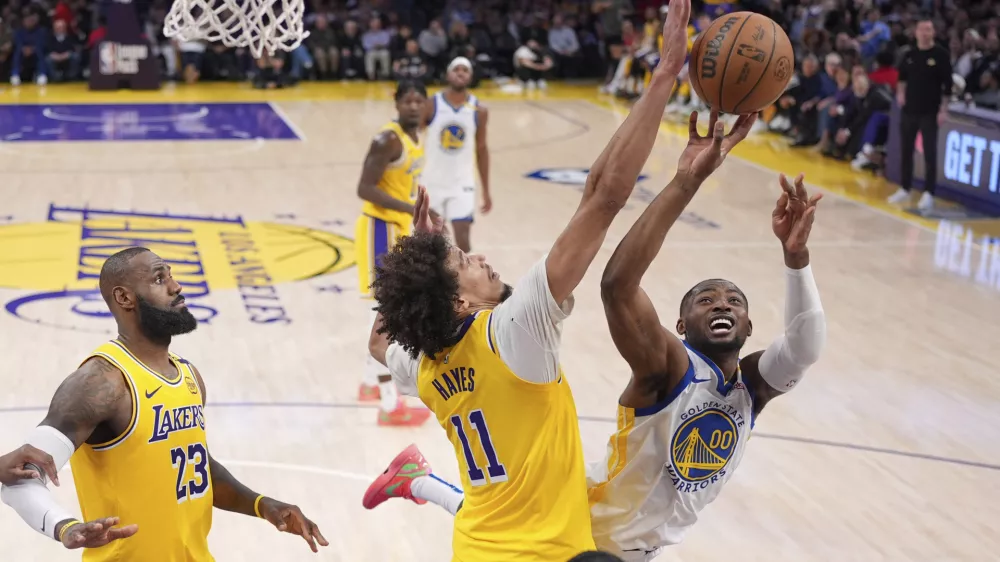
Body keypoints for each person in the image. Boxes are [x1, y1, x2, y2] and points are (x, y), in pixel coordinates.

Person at [366, 122, 828, 562]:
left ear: (750, 328)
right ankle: (421, 481)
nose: (721, 305)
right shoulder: (665, 367)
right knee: (503, 522)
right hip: (583, 539)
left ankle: (419, 481)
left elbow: (804, 347)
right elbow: (617, 281)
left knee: (496, 517)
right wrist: (685, 181)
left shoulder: (750, 389)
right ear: (679, 325)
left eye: (733, 301)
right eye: (705, 299)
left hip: (611, 542)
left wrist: (796, 258)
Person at [360, 1, 694, 560]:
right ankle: (418, 483)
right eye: (465, 261)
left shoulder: (425, 362)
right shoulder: (514, 331)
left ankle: (416, 482)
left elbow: (377, 341)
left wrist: (422, 253)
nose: (480, 257)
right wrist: (663, 76)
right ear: (459, 299)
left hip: (479, 547)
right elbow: (605, 196)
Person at [0, 247, 327, 560]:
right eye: (159, 279)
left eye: (171, 276)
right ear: (124, 297)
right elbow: (17, 479)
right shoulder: (100, 383)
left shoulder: (188, 375)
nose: (176, 286)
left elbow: (191, 465)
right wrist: (64, 527)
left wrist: (261, 505)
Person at [354, 79, 432, 427]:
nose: (413, 106)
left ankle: (370, 385)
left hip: (397, 226)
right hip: (379, 229)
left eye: (419, 100)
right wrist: (409, 206)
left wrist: (418, 211)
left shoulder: (417, 136)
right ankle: (389, 403)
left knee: (388, 312)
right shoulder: (387, 139)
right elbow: (364, 188)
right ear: (397, 103)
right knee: (389, 314)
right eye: (408, 101)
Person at [422, 56, 491, 253]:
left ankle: (460, 283)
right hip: (432, 182)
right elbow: (414, 140)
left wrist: (486, 190)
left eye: (465, 70)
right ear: (448, 74)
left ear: (470, 77)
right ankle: (435, 283)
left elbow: (482, 150)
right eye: (456, 69)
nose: (460, 72)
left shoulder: (479, 110)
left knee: (463, 243)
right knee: (434, 242)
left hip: (462, 183)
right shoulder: (431, 104)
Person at [887, 16, 952, 211]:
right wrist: (900, 93)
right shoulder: (909, 54)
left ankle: (929, 192)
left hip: (930, 112)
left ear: (933, 32)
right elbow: (902, 78)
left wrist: (944, 109)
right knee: (906, 150)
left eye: (928, 29)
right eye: (922, 29)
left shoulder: (940, 54)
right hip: (909, 111)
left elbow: (947, 84)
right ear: (916, 32)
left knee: (930, 154)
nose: (925, 33)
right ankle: (905, 187)